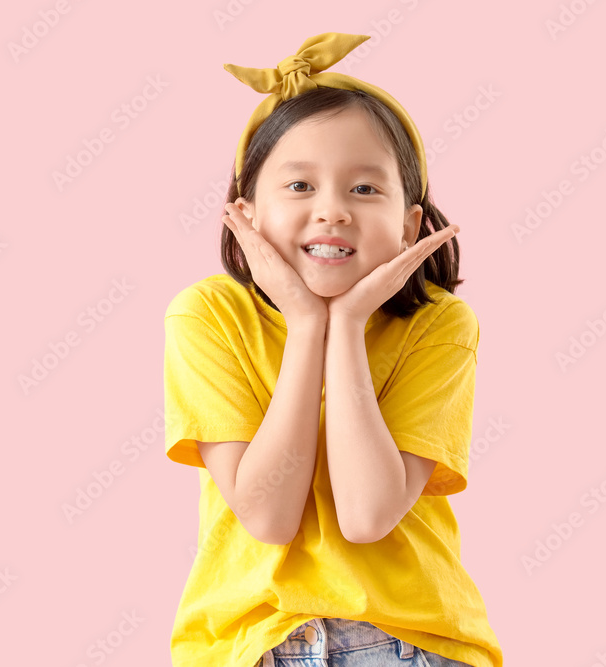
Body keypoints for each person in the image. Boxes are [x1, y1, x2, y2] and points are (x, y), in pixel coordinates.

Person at [163, 33, 504, 666]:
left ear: (410, 222)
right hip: (249, 646)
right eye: (298, 187)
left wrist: (345, 325)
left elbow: (367, 515)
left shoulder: (440, 325)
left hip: (414, 644)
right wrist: (305, 324)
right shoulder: (207, 315)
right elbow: (267, 516)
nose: (332, 212)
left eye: (366, 189)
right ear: (247, 212)